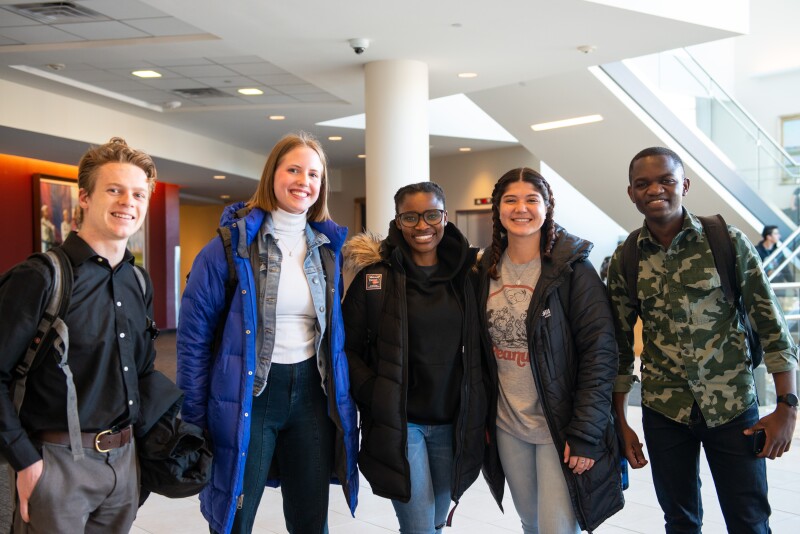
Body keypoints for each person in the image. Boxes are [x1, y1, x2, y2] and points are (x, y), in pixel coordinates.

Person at [608, 146, 799, 533]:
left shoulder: (725, 240)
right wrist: (620, 422)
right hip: (665, 411)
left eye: (666, 180)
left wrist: (787, 407)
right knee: (680, 520)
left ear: (685, 185)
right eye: (642, 184)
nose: (655, 190)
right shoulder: (626, 258)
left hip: (732, 407)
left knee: (749, 520)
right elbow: (619, 349)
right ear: (631, 193)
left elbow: (773, 327)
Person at [177, 132, 359, 534]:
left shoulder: (327, 248)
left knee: (311, 521)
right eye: (293, 169)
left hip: (313, 394)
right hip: (251, 396)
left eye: (314, 173)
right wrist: (191, 419)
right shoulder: (229, 247)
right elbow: (193, 341)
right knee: (235, 519)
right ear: (272, 174)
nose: (304, 181)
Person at [0, 137, 158, 532]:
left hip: (123, 465)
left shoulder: (138, 281)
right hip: (56, 464)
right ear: (84, 198)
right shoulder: (40, 277)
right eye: (115, 190)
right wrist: (26, 460)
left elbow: (142, 371)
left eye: (138, 194)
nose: (128, 202)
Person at [477, 168, 624, 533]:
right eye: (510, 200)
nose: (521, 208)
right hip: (508, 423)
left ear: (547, 208)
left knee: (557, 528)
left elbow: (600, 353)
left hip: (561, 426)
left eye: (532, 199)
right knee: (530, 522)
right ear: (497, 209)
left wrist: (586, 434)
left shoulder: (573, 269)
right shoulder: (484, 269)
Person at [342, 182, 486, 533]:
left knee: (436, 519)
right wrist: (375, 393)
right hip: (401, 423)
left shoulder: (469, 275)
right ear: (398, 220)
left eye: (431, 215)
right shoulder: (375, 278)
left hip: (453, 421)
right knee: (418, 525)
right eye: (410, 217)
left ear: (445, 217)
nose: (422, 226)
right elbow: (346, 348)